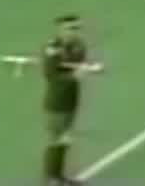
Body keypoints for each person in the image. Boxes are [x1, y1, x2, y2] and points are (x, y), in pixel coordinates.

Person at [36, 15, 104, 186]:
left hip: (71, 100)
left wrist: (86, 68)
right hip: (56, 103)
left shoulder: (78, 46)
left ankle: (59, 177)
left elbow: (78, 64)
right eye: (70, 29)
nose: (74, 32)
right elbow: (51, 75)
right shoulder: (52, 49)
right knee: (57, 140)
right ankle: (51, 178)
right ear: (61, 30)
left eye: (76, 28)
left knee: (65, 140)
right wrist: (75, 75)